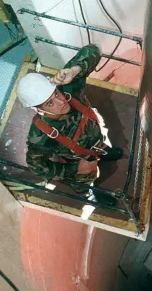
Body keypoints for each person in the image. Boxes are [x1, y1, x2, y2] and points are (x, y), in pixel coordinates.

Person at [17, 44, 123, 205]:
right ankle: (89, 194)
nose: (61, 102)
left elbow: (94, 50)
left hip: (94, 137)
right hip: (78, 160)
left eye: (56, 94)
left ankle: (103, 152)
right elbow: (36, 166)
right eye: (50, 104)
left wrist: (74, 70)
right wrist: (74, 169)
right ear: (39, 110)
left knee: (99, 144)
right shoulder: (41, 135)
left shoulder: (68, 88)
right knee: (84, 181)